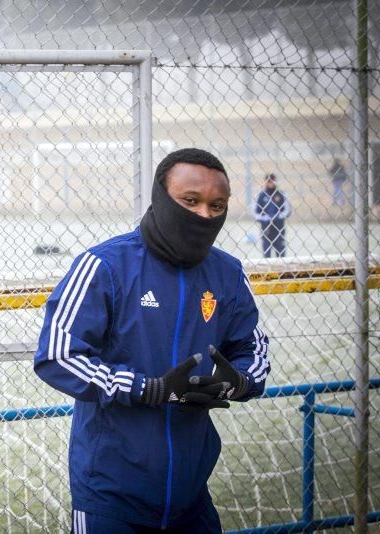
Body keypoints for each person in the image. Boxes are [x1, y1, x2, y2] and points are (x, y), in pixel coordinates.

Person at [33, 148, 270, 533]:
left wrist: (238, 380)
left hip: (191, 497)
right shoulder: (104, 265)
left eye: (217, 206)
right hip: (110, 497)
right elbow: (57, 356)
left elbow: (252, 348)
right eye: (190, 201)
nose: (204, 215)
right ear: (160, 198)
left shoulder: (228, 273)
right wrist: (146, 387)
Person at [252, 173, 291, 258]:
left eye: (272, 181)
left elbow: (287, 211)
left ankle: (281, 270)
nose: (270, 183)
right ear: (265, 182)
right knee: (267, 255)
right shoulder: (260, 195)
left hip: (279, 228)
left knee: (281, 254)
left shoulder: (282, 195)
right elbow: (255, 214)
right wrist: (265, 218)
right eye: (268, 181)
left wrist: (277, 217)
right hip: (266, 229)